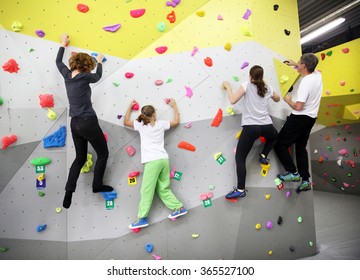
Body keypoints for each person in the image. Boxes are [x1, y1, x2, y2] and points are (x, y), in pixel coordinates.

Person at [56, 33, 113, 209]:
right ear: (87, 66)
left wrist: (63, 45)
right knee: (103, 154)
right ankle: (97, 185)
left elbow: (59, 62)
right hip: (88, 121)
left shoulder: (67, 75)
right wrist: (101, 61)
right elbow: (97, 77)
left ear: (73, 64)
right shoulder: (85, 77)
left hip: (75, 123)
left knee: (79, 158)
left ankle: (68, 193)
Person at [124, 99, 187, 229]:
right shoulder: (161, 124)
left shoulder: (140, 125)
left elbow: (125, 122)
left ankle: (142, 218)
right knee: (163, 188)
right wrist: (174, 106)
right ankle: (178, 207)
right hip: (164, 159)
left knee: (146, 190)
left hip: (152, 162)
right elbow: (176, 122)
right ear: (154, 114)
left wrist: (129, 107)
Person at [222, 65, 280, 199]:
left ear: (250, 76)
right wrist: (267, 88)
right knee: (275, 136)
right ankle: (263, 155)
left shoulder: (246, 85)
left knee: (240, 158)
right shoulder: (267, 87)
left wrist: (228, 87)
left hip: (251, 127)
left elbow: (232, 100)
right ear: (262, 77)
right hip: (266, 125)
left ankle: (240, 189)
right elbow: (277, 99)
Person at [274, 53, 323, 193]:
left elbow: (298, 107)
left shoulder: (306, 83)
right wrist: (295, 64)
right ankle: (306, 180)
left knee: (280, 143)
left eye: (299, 62)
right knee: (301, 148)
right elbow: (308, 68)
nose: (298, 62)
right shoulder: (317, 75)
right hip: (311, 118)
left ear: (304, 66)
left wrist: (287, 99)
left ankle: (293, 173)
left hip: (300, 118)